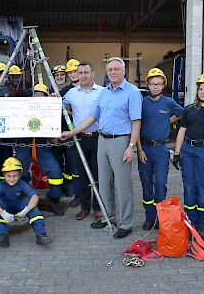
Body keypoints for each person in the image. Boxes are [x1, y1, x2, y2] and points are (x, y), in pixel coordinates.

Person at [61, 57, 142, 239]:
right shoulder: (104, 93)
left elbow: (136, 122)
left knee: (122, 185)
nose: (113, 72)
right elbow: (92, 117)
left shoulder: (132, 92)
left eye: (116, 69)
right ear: (106, 72)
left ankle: (126, 223)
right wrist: (72, 131)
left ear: (123, 71)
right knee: (103, 184)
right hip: (103, 141)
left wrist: (131, 147)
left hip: (120, 141)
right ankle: (108, 217)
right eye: (110, 69)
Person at [172, 72, 204, 240]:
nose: (202, 92)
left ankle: (201, 223)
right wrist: (177, 153)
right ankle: (189, 221)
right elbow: (181, 131)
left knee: (202, 187)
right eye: (200, 89)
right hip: (188, 150)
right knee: (189, 187)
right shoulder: (189, 110)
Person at [137, 68, 183, 231]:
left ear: (164, 85)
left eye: (159, 84)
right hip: (145, 149)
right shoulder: (142, 103)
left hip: (161, 150)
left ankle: (160, 216)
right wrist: (140, 150)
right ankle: (150, 217)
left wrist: (167, 121)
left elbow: (181, 114)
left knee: (161, 183)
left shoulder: (169, 102)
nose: (155, 87)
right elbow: (136, 127)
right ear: (147, 85)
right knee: (147, 183)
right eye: (152, 84)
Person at [62, 61, 105, 221]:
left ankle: (98, 208)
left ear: (93, 73)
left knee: (98, 174)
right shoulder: (71, 93)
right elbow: (58, 106)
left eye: (86, 72)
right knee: (83, 175)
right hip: (79, 140)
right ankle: (85, 207)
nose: (83, 76)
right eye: (80, 73)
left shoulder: (103, 92)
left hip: (98, 138)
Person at [14, 83, 65, 216]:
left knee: (55, 171)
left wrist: (55, 109)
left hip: (42, 145)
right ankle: (21, 200)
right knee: (19, 172)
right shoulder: (22, 108)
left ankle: (54, 199)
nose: (38, 98)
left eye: (42, 96)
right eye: (36, 95)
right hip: (24, 143)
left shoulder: (50, 111)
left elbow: (54, 139)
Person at [0, 157, 53, 247]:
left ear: (19, 175)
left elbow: (34, 196)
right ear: (4, 175)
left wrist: (26, 210)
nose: (11, 179)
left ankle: (41, 235)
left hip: (19, 207)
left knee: (30, 204)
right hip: (5, 208)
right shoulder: (0, 185)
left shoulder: (22, 184)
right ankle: (2, 236)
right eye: (8, 176)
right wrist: (3, 213)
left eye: (14, 176)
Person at [52, 60, 81, 206]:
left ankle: (71, 188)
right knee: (58, 161)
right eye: (70, 72)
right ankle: (63, 187)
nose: (73, 74)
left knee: (72, 162)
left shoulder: (84, 90)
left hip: (74, 133)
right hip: (59, 131)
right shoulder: (65, 91)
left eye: (74, 71)